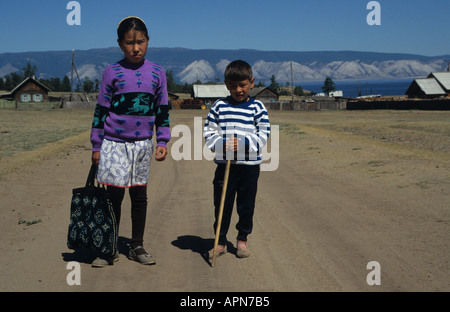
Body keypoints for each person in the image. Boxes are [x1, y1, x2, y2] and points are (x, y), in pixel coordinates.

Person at [90, 16, 170, 267]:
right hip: (114, 143)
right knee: (114, 197)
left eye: (141, 42)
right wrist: (96, 145)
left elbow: (163, 110)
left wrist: (163, 140)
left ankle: (136, 245)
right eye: (129, 43)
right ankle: (109, 246)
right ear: (120, 44)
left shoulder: (157, 73)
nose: (136, 48)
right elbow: (101, 110)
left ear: (148, 41)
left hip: (143, 144)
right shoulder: (111, 72)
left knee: (139, 196)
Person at [203, 60, 270, 259]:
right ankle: (220, 241)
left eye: (242, 85)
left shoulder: (257, 107)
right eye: (233, 86)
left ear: (252, 82)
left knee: (246, 205)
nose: (238, 90)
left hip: (249, 167)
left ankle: (242, 240)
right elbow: (209, 130)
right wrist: (221, 143)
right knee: (222, 203)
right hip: (226, 166)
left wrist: (242, 143)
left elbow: (264, 133)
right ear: (226, 85)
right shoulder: (220, 106)